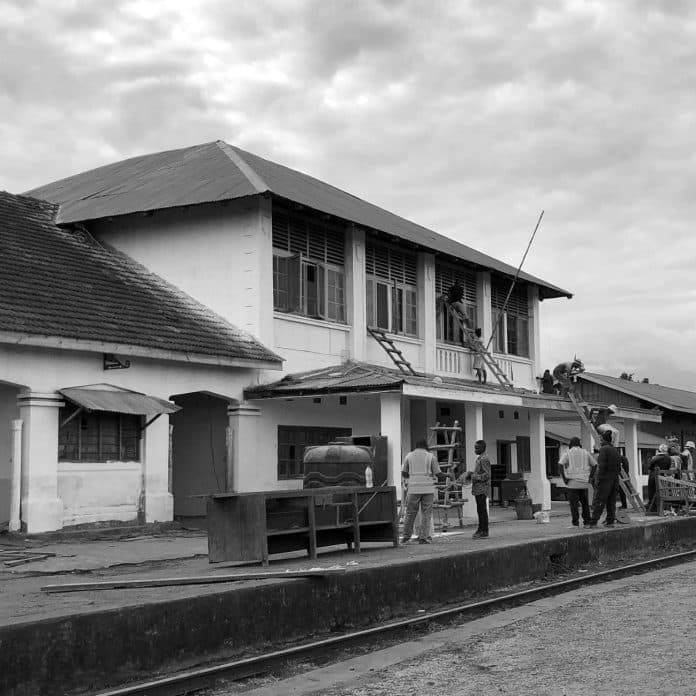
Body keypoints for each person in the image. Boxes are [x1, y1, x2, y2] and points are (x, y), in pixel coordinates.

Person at [400, 439, 440, 545]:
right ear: (426, 446)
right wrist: (448, 476)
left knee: (410, 513)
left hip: (413, 489)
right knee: (426, 514)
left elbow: (404, 472)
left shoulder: (409, 456)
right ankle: (424, 538)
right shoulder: (431, 457)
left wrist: (411, 478)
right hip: (428, 489)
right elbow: (438, 473)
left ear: (416, 446)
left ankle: (405, 537)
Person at [587, 429, 621, 527]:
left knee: (600, 501)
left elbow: (601, 466)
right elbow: (619, 466)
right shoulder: (615, 450)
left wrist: (598, 479)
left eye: (600, 440)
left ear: (603, 440)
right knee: (611, 502)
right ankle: (610, 521)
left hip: (605, 479)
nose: (600, 441)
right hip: (614, 479)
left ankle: (593, 522)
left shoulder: (604, 449)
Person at [559, 437, 595, 526]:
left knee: (574, 505)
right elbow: (595, 465)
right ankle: (587, 521)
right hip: (584, 483)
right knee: (585, 504)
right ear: (579, 444)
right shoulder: (585, 453)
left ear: (571, 444)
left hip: (572, 483)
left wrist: (564, 478)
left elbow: (560, 464)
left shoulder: (568, 453)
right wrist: (591, 477)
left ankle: (575, 523)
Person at [463, 440, 491, 538]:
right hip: (478, 488)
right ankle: (481, 529)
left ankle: (483, 530)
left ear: (482, 448)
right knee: (480, 510)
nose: (475, 450)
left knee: (482, 510)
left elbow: (487, 475)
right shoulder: (479, 459)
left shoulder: (484, 459)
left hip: (482, 489)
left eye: (477, 448)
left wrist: (474, 476)